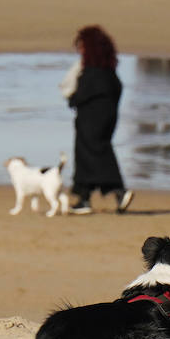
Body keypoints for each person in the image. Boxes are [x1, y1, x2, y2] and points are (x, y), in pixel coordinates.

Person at [67, 26, 133, 214]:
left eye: (82, 47)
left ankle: (118, 191)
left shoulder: (93, 72)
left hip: (91, 119)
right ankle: (84, 197)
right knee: (93, 152)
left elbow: (79, 96)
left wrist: (73, 99)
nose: (80, 51)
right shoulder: (109, 72)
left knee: (93, 152)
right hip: (107, 117)